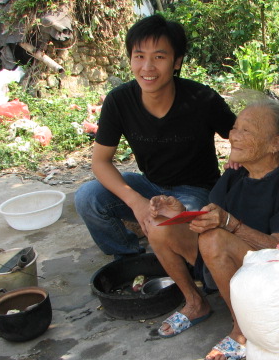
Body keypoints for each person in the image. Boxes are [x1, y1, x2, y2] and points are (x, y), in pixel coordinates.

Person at [145, 99, 279, 360]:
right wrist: (179, 213)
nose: (234, 136)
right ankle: (195, 303)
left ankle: (242, 328)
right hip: (225, 259)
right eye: (235, 128)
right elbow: (210, 220)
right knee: (157, 226)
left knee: (214, 239)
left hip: (271, 272)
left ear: (275, 144)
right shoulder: (236, 174)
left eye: (247, 130)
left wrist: (230, 224)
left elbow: (277, 250)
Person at [74, 14, 236, 258]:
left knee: (169, 223)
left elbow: (241, 134)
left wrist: (236, 156)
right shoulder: (119, 101)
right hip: (149, 185)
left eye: (159, 57)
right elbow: (100, 162)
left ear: (176, 62)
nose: (147, 67)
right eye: (139, 56)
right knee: (88, 197)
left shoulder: (201, 99)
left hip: (195, 192)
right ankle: (129, 259)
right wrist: (136, 201)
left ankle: (183, 261)